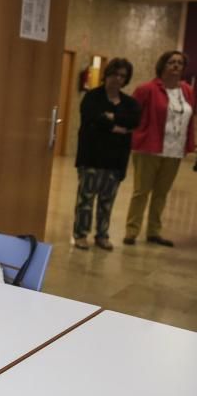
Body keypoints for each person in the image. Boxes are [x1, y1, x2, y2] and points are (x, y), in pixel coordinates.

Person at [123, 50, 194, 247]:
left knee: (161, 193)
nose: (176, 66)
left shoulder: (187, 91)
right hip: (149, 148)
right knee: (141, 191)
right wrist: (138, 134)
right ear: (162, 65)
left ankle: (154, 231)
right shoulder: (147, 89)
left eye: (180, 63)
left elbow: (190, 119)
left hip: (174, 150)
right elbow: (131, 114)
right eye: (172, 62)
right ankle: (132, 231)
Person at [72, 58, 140, 251]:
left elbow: (134, 121)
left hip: (115, 160)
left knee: (107, 201)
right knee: (85, 199)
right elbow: (92, 120)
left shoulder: (129, 103)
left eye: (122, 76)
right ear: (107, 75)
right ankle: (80, 234)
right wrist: (116, 126)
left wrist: (112, 119)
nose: (117, 79)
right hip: (91, 157)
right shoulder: (93, 97)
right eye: (114, 74)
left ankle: (102, 235)